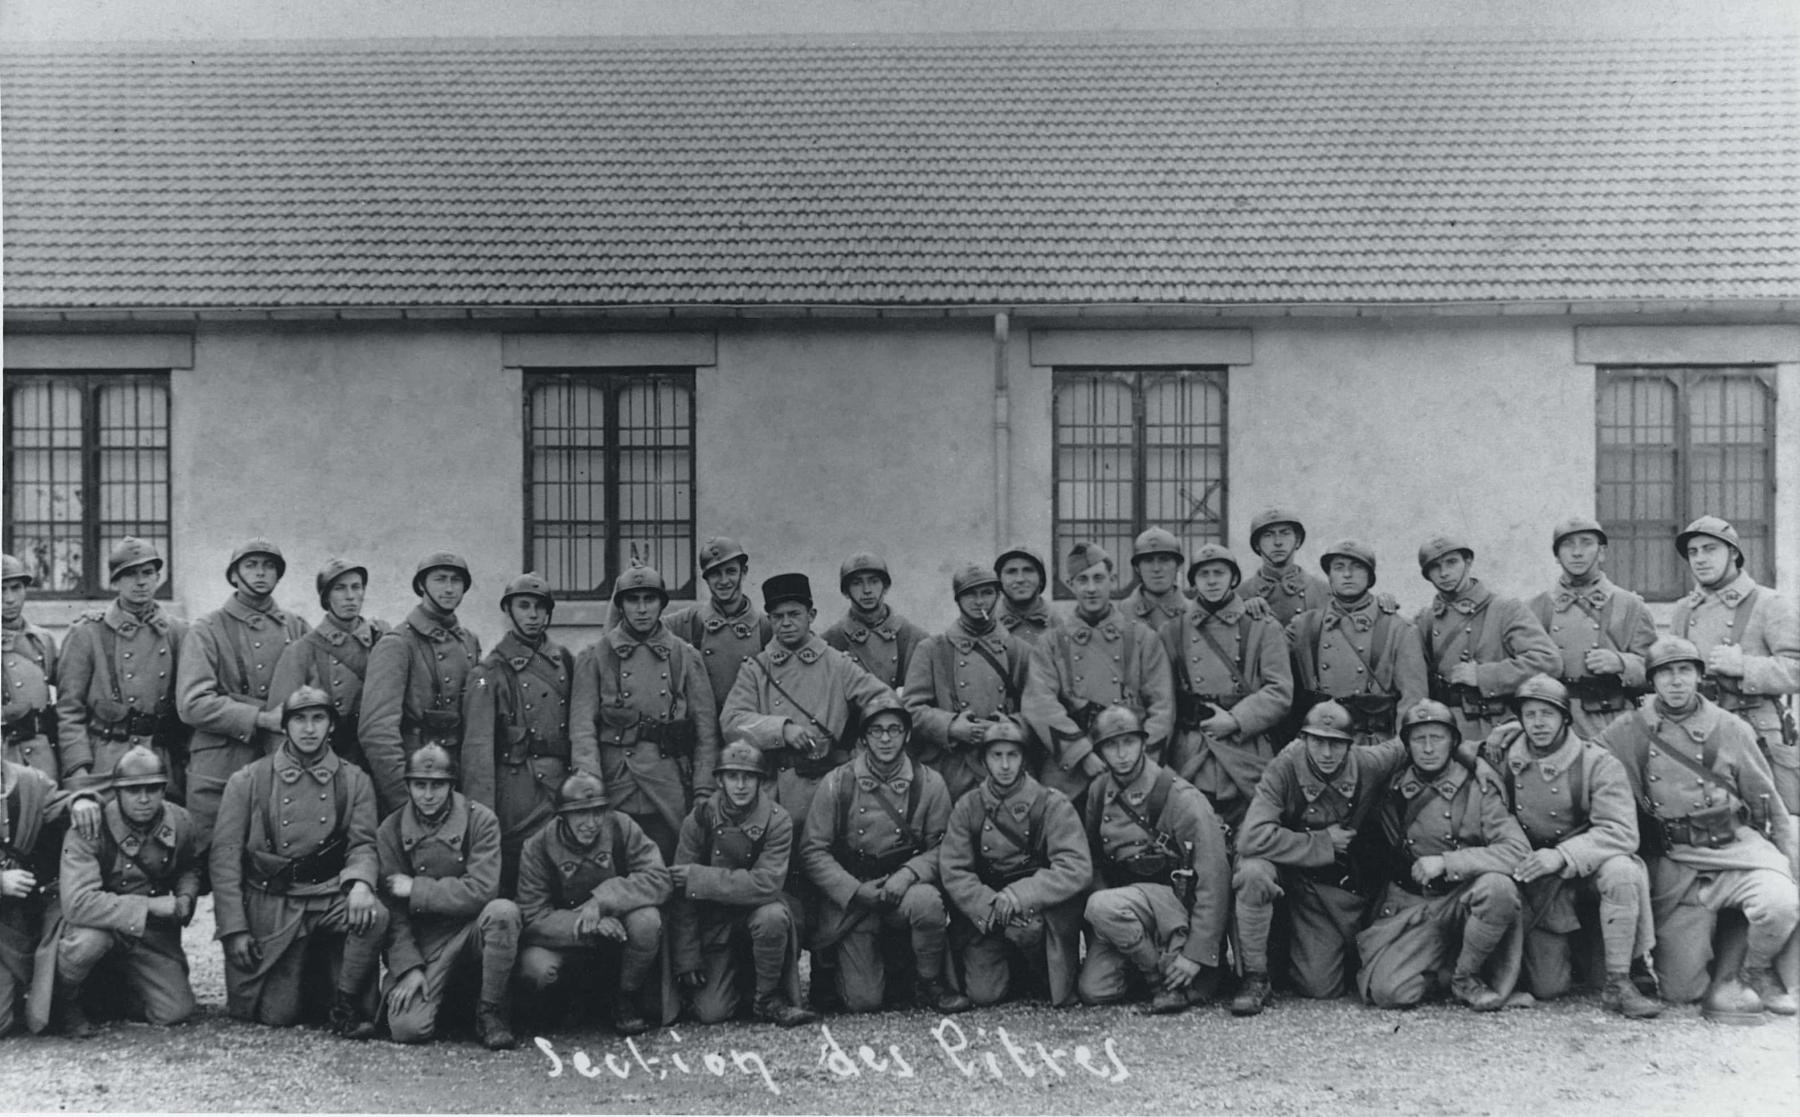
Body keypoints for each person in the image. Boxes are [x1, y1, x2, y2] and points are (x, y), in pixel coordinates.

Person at [1600, 636, 1798, 1021]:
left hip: (1734, 849)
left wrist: (1788, 862)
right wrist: (1514, 735)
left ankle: (1755, 969)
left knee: (1780, 902)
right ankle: (1722, 937)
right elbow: (1582, 754)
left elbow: (1765, 798)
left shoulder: (1730, 727)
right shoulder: (1629, 729)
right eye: (1666, 673)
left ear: (1698, 677)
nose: (1676, 681)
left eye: (1684, 671)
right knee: (1681, 992)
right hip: (1678, 866)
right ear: (1652, 681)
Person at [720, 573, 894, 1009]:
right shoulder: (758, 668)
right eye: (777, 616)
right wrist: (781, 728)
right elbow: (732, 721)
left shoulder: (836, 662)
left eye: (794, 614)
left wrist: (862, 744)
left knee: (828, 878)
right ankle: (778, 983)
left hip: (830, 791)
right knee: (788, 884)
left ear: (812, 615)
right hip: (779, 795)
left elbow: (881, 700)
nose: (786, 624)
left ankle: (828, 972)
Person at [210, 686, 387, 1036]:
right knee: (277, 1014)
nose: (309, 729)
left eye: (318, 719)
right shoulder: (249, 780)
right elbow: (225, 858)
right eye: (299, 719)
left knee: (375, 915)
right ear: (284, 726)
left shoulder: (354, 780)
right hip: (274, 903)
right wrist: (234, 929)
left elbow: (363, 844)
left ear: (331, 725)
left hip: (327, 895)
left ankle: (346, 1001)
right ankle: (309, 977)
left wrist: (361, 883)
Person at [1481, 675, 1659, 1016]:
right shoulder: (1504, 758)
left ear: (1565, 717)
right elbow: (1454, 751)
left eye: (1547, 714)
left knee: (1622, 870)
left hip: (1587, 868)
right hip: (1542, 883)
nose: (1538, 723)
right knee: (1548, 987)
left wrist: (1562, 855)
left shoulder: (1597, 763)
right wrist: (1491, 742)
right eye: (1530, 715)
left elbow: (1621, 831)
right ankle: (1581, 953)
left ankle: (1620, 980)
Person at [1231, 700, 1409, 1016]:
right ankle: (1255, 976)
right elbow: (1251, 838)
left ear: (1350, 745)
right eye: (1317, 741)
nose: (1326, 753)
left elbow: (1412, 740)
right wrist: (1322, 842)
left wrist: (1474, 759)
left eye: (1336, 744)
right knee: (1252, 873)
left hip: (1320, 886)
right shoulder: (1284, 767)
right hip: (1281, 868)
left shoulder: (1368, 763)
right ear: (1304, 739)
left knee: (1320, 987)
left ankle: (1292, 948)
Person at [1355, 701, 1528, 1011]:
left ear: (1453, 742)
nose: (1428, 748)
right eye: (1418, 739)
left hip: (1464, 899)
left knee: (1498, 888)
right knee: (1389, 992)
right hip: (1415, 904)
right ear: (1407, 745)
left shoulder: (1478, 788)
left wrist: (1448, 863)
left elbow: (1518, 851)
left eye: (1437, 738)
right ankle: (1445, 968)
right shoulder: (1390, 787)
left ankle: (1466, 978)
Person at [800, 699, 970, 1014]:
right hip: (855, 893)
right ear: (864, 738)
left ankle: (930, 981)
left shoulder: (929, 783)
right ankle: (841, 963)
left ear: (907, 735)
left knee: (927, 903)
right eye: (876, 731)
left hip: (902, 888)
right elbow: (813, 850)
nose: (886, 738)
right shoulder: (837, 782)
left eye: (894, 729)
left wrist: (908, 874)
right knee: (864, 1001)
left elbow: (945, 847)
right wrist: (854, 890)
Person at [1077, 706, 1230, 1014]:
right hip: (1125, 908)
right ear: (1100, 751)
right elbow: (1094, 859)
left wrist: (1196, 953)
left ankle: (1160, 977)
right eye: (1111, 745)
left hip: (1173, 908)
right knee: (1095, 990)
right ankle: (1157, 969)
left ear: (1144, 743)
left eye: (1129, 742)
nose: (1122, 754)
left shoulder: (1179, 796)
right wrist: (1110, 926)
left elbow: (1214, 877)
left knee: (1101, 905)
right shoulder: (1099, 791)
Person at [571, 563, 720, 862]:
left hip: (668, 783)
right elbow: (582, 728)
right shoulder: (595, 656)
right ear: (621, 605)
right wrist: (590, 785)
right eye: (633, 600)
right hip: (616, 783)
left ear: (661, 605)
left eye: (649, 600)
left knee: (669, 866)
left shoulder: (684, 656)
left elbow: (706, 732)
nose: (641, 609)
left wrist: (703, 789)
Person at [46, 745, 199, 1036]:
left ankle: (107, 995)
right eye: (133, 790)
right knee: (89, 942)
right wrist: (151, 906)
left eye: (152, 789)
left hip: (147, 933)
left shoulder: (181, 821)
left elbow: (190, 866)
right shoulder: (90, 827)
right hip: (97, 925)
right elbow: (78, 904)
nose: (143, 798)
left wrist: (185, 897)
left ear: (163, 789)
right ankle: (65, 999)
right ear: (117, 792)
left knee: (175, 1011)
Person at [376, 744, 520, 1050]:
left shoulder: (480, 820)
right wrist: (408, 967)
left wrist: (416, 889)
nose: (428, 795)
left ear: (452, 785)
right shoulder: (391, 829)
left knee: (503, 913)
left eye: (438, 785)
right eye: (420, 785)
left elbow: (482, 890)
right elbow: (392, 912)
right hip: (425, 941)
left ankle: (490, 1011)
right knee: (407, 1028)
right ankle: (447, 1002)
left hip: (472, 928)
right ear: (408, 786)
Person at [939, 718, 1090, 1007]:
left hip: (1038, 910)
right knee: (984, 995)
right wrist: (991, 907)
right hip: (990, 911)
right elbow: (954, 870)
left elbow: (1075, 866)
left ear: (1023, 759)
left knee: (1029, 932)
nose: (1005, 765)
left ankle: (1039, 970)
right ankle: (1010, 967)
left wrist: (1020, 896)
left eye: (1013, 755)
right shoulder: (968, 806)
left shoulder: (1052, 804)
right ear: (984, 760)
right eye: (996, 756)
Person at [515, 770, 673, 1037]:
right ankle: (565, 1003)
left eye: (598, 812)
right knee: (537, 967)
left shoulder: (622, 827)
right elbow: (532, 915)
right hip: (565, 939)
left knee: (647, 921)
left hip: (619, 931)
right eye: (580, 814)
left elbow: (659, 878)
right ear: (563, 816)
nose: (591, 823)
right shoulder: (538, 847)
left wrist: (603, 899)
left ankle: (625, 996)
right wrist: (591, 923)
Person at [668, 741, 815, 1027]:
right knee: (712, 1013)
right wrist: (687, 956)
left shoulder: (777, 820)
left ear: (760, 781)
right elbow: (681, 893)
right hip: (715, 922)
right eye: (732, 776)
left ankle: (768, 997)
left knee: (773, 916)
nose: (740, 785)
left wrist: (699, 878)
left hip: (758, 912)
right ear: (719, 780)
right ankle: (740, 985)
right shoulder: (699, 818)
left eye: (749, 777)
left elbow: (766, 884)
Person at [177, 538, 311, 851]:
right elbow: (192, 703)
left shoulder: (296, 627)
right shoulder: (207, 629)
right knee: (214, 856)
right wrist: (260, 718)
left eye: (269, 566)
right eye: (251, 565)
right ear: (234, 575)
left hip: (280, 759)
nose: (260, 573)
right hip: (220, 765)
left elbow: (314, 691)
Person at [1021, 542, 1175, 804]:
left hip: (1132, 767)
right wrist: (1082, 754)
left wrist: (1136, 761)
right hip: (1070, 773)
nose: (1091, 588)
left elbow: (1163, 707)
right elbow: (1040, 704)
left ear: (1113, 581)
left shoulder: (1143, 639)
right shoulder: (1051, 643)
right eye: (1082, 580)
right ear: (1071, 584)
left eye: (1098, 578)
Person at [1669, 515, 1800, 817]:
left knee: (1775, 824)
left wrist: (1745, 667)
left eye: (1710, 549)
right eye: (1693, 552)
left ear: (1733, 553)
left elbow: (1796, 668)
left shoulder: (1769, 603)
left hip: (1757, 736)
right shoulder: (1683, 610)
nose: (1700, 559)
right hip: (1699, 733)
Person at [1163, 544, 1293, 835]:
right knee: (1195, 830)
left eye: (1219, 573)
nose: (1211, 581)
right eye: (1203, 574)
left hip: (1245, 747)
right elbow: (1164, 697)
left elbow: (1280, 690)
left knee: (1253, 831)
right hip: (1194, 748)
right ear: (1193, 582)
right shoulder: (1173, 631)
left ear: (1233, 578)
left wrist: (1235, 720)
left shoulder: (1262, 627)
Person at [461, 573, 574, 895]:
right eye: (524, 606)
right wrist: (482, 823)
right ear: (509, 611)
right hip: (518, 792)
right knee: (518, 872)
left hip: (559, 787)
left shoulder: (564, 661)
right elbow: (478, 754)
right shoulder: (490, 672)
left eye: (540, 607)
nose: (533, 615)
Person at [54, 538, 189, 793]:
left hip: (161, 757)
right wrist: (78, 769)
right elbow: (69, 708)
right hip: (107, 758)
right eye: (130, 574)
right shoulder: (88, 632)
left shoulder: (177, 632)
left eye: (148, 573)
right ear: (115, 581)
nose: (141, 582)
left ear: (158, 577)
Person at [361, 552, 482, 818]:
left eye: (456, 580)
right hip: (415, 780)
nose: (449, 588)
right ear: (421, 586)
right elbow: (377, 732)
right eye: (440, 579)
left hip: (455, 779)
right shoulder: (397, 644)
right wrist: (405, 801)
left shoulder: (469, 643)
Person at [904, 562, 1030, 803]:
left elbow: (1038, 710)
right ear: (958, 599)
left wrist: (1011, 725)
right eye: (970, 594)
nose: (979, 601)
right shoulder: (932, 650)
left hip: (1006, 765)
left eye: (987, 593)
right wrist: (951, 727)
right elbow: (911, 710)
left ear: (998, 596)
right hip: (952, 769)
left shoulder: (1019, 650)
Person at [1415, 533, 1560, 743]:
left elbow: (1548, 661)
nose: (1444, 573)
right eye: (1435, 567)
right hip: (1448, 734)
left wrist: (1483, 676)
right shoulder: (1426, 619)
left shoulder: (1505, 609)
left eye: (1452, 562)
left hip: (1496, 729)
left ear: (1468, 562)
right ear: (1427, 575)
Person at [1527, 517, 1657, 740]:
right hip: (1553, 724)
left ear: (1602, 552)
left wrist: (1622, 663)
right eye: (1568, 545)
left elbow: (1656, 671)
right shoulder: (1536, 607)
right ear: (1557, 556)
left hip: (1610, 721)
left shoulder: (1629, 606)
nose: (1577, 553)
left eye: (1586, 543)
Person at [1286, 539, 1427, 745]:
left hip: (1373, 744)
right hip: (1319, 742)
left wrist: (1398, 749)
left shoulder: (1398, 629)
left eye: (1357, 567)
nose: (1347, 574)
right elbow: (1267, 661)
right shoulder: (1304, 626)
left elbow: (1413, 700)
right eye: (1339, 567)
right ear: (1329, 576)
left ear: (1370, 576)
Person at [0, 754, 98, 1036]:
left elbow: (58, 801)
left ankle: (56, 999)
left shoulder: (29, 780)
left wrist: (80, 801)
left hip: (23, 914)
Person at [269, 558, 392, 774]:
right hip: (325, 764)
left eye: (356, 587)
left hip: (378, 760)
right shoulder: (302, 650)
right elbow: (280, 725)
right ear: (326, 597)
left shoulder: (383, 641)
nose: (350, 596)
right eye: (340, 588)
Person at [664, 536, 772, 716]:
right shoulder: (691, 620)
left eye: (731, 571)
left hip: (746, 726)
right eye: (714, 573)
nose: (723, 581)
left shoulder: (764, 626)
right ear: (706, 578)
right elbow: (639, 630)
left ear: (743, 572)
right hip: (703, 726)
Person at [823, 552, 928, 692]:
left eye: (874, 581)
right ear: (846, 592)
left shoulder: (913, 637)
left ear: (886, 587)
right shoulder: (831, 641)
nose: (867, 590)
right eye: (857, 583)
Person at [3, 554, 60, 782]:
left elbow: (70, 694)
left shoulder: (41, 640)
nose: (9, 599)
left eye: (16, 588)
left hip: (40, 759)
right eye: (1, 589)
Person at [1237, 508, 1329, 628]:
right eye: (1268, 535)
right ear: (1257, 544)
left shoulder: (1323, 591)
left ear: (1297, 540)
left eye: (1285, 533)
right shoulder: (1240, 595)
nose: (1278, 542)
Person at [1119, 527, 1189, 632]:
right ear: (1137, 568)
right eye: (1148, 561)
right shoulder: (1122, 613)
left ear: (1178, 565)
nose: (1156, 568)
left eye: (1164, 560)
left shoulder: (1192, 612)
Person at [993, 544, 1061, 645]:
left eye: (1028, 570)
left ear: (1041, 578)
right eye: (1011, 572)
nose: (1020, 579)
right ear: (999, 580)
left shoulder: (1059, 623)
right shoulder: (988, 624)